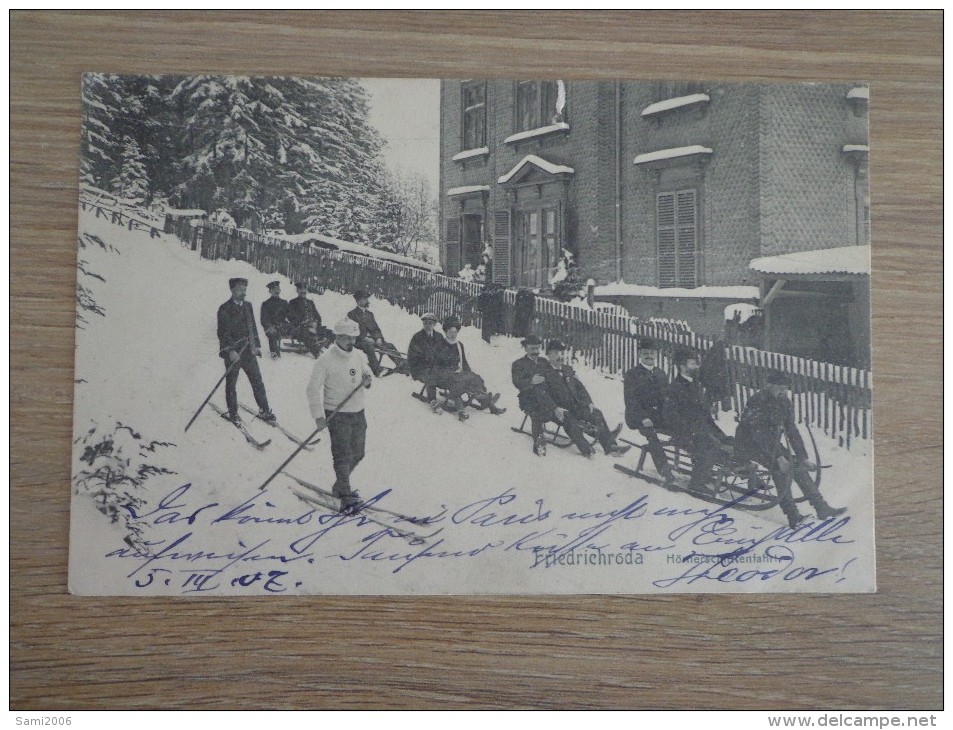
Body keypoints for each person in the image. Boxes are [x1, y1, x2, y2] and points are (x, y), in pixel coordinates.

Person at [735, 372, 846, 528]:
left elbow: (791, 430)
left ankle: (821, 507)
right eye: (780, 388)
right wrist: (780, 458)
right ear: (769, 386)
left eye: (785, 388)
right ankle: (793, 515)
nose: (783, 391)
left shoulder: (784, 402)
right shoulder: (757, 401)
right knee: (779, 468)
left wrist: (803, 457)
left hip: (770, 443)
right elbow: (759, 432)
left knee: (796, 464)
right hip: (749, 443)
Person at [306, 318, 374, 510]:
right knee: (342, 454)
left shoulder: (359, 355)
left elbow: (367, 373)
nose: (351, 342)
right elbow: (312, 389)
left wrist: (367, 379)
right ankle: (345, 492)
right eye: (346, 338)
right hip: (337, 414)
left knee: (358, 453)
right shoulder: (325, 360)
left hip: (358, 411)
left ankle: (339, 484)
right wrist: (318, 416)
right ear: (337, 337)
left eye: (353, 337)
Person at [663, 345, 731, 493]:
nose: (696, 367)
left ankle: (742, 471)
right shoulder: (674, 388)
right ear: (682, 367)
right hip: (685, 432)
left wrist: (712, 428)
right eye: (692, 364)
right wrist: (691, 432)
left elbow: (701, 413)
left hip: (701, 428)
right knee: (711, 444)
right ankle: (697, 483)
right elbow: (671, 416)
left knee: (728, 441)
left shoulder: (695, 385)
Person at [544, 340, 628, 457]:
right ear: (548, 354)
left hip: (575, 406)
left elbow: (580, 388)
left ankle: (611, 446)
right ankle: (585, 448)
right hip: (557, 410)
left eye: (562, 353)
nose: (560, 356)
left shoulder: (567, 369)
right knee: (570, 419)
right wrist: (555, 408)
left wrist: (588, 402)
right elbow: (543, 394)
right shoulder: (544, 372)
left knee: (596, 413)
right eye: (556, 353)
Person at [216, 277, 275, 425]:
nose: (244, 292)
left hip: (248, 351)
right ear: (232, 290)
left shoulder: (248, 306)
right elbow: (223, 332)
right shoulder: (224, 308)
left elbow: (252, 327)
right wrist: (230, 351)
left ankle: (264, 410)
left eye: (245, 289)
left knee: (257, 381)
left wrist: (256, 346)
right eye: (240, 289)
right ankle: (233, 412)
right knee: (231, 384)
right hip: (234, 353)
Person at [623, 338, 676, 485]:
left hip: (658, 416)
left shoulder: (661, 374)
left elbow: (667, 398)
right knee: (651, 434)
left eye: (652, 353)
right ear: (639, 354)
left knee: (682, 427)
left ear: (656, 355)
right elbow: (630, 400)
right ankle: (664, 469)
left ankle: (698, 466)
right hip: (638, 416)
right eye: (645, 353)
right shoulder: (632, 374)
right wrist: (642, 417)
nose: (649, 356)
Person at [436, 317, 505, 418]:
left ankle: (487, 402)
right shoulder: (440, 345)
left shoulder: (459, 345)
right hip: (445, 375)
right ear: (446, 332)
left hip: (457, 374)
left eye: (455, 332)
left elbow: (464, 362)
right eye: (450, 332)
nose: (453, 334)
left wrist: (470, 374)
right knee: (461, 383)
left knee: (474, 378)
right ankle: (464, 408)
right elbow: (437, 364)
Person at [347, 289, 401, 376]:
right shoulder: (352, 314)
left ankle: (402, 365)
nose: (367, 301)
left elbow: (376, 329)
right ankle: (377, 370)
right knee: (368, 346)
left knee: (390, 346)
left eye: (367, 299)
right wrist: (365, 338)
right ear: (358, 301)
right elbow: (352, 331)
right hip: (358, 341)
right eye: (364, 299)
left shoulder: (370, 314)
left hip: (373, 340)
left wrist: (378, 338)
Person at [407, 312, 447, 409]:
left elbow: (444, 353)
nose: (427, 325)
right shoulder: (417, 337)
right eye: (425, 323)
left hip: (436, 368)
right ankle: (432, 400)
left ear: (434, 324)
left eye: (430, 323)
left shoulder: (439, 336)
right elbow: (412, 356)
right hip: (420, 368)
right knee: (431, 376)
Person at [287, 282, 330, 358]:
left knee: (332, 333)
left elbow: (318, 316)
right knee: (306, 332)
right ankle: (317, 353)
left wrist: (316, 323)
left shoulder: (310, 302)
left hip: (313, 327)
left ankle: (320, 347)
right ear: (297, 290)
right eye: (301, 289)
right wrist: (304, 322)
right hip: (299, 328)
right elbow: (291, 317)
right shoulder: (293, 302)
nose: (303, 291)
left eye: (305, 289)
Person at [260, 281, 290, 359]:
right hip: (272, 327)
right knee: (272, 333)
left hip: (283, 327)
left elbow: (290, 316)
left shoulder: (284, 302)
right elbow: (263, 319)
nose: (276, 291)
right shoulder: (266, 304)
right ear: (270, 291)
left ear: (280, 290)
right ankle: (274, 352)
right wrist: (269, 326)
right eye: (273, 289)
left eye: (277, 289)